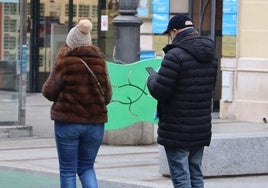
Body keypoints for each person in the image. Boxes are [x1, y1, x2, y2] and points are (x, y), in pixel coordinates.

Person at [147, 14, 218, 188]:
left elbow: (160, 90)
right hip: (200, 127)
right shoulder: (210, 56)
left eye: (170, 34)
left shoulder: (174, 55)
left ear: (175, 31)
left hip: (177, 129)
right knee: (196, 174)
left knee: (181, 178)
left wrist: (152, 79)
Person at [42, 19, 112, 188]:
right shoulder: (100, 62)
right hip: (95, 124)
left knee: (67, 169)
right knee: (87, 167)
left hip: (68, 122)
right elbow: (108, 95)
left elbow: (48, 91)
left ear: (70, 42)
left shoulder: (64, 62)